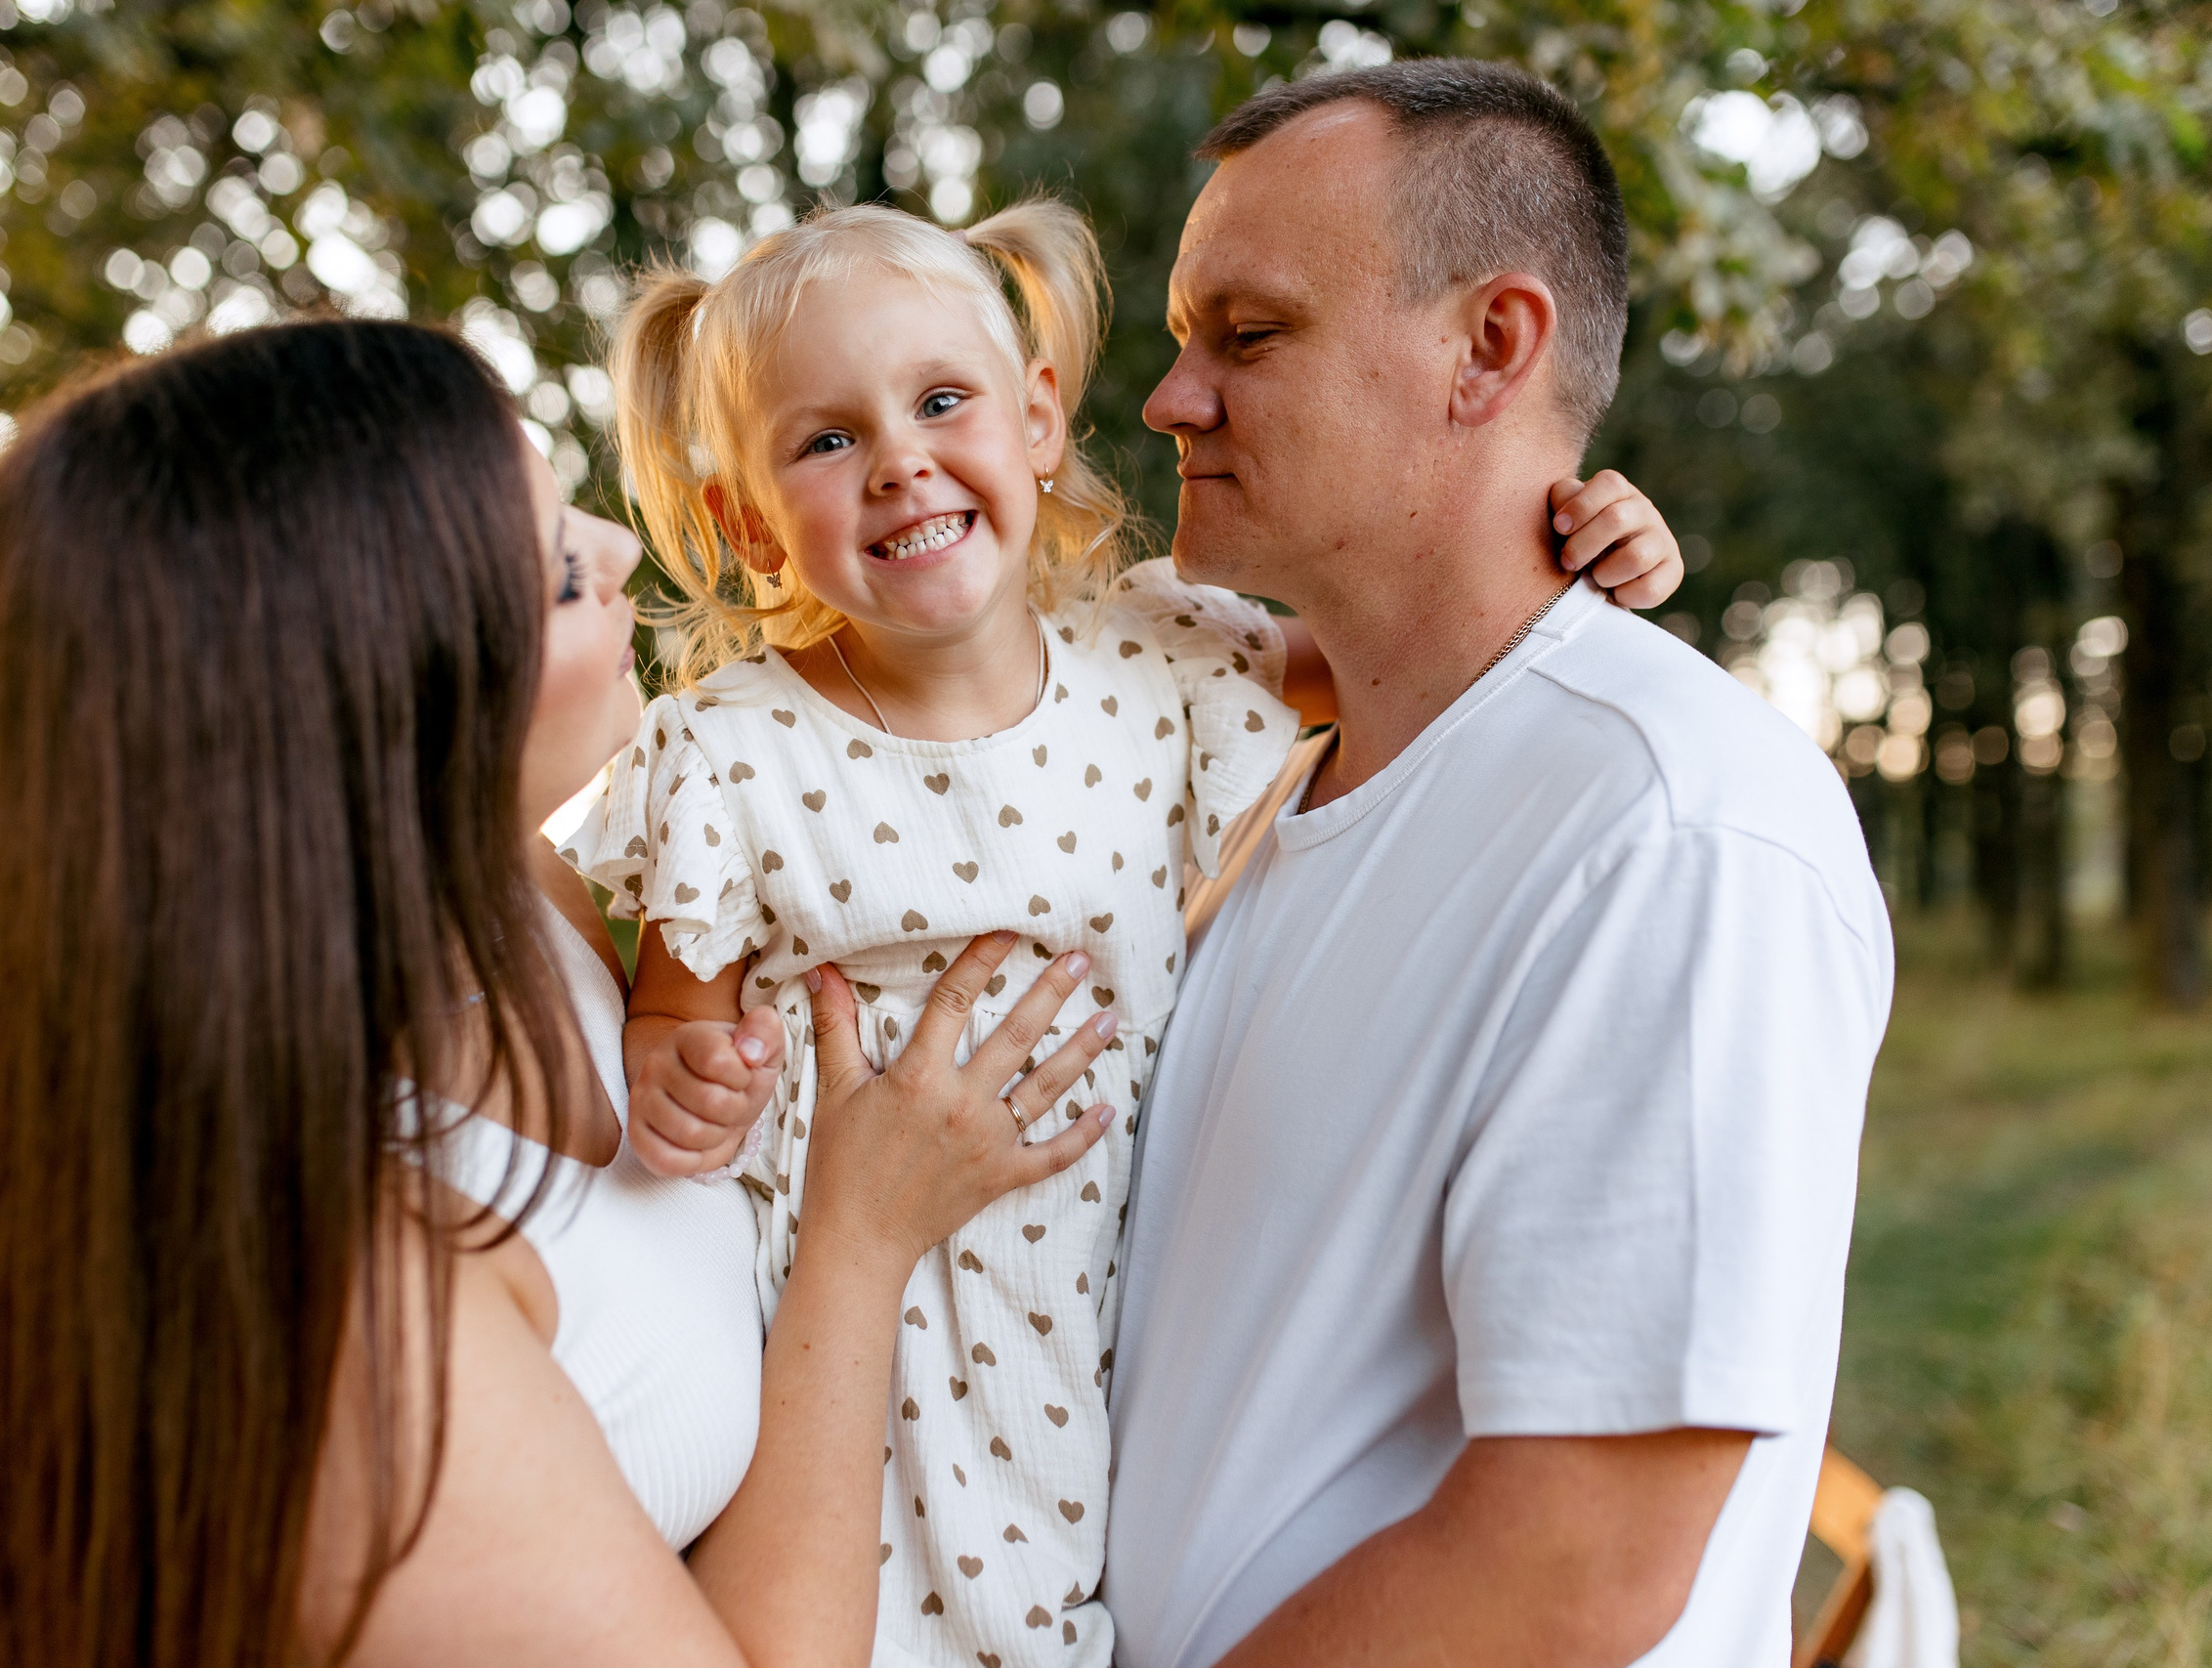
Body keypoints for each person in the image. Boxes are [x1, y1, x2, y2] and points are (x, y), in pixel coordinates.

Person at [0, 317, 1118, 1668]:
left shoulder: (516, 894)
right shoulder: (360, 1327)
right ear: (368, 707)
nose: (620, 552)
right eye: (558, 572)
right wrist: (864, 1237)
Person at [572, 198, 1683, 1666]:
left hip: (1090, 1293)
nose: (899, 460)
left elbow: (1431, 649)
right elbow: (675, 1011)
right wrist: (683, 1075)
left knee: (1067, 1598)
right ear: (745, 521)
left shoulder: (1159, 656)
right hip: (847, 1329)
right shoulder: (729, 752)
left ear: (1037, 419)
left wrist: (1581, 543)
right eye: (826, 440)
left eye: (942, 401)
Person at [1101, 60, 1895, 1668]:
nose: (1171, 400)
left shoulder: (1672, 829)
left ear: (1491, 347)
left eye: (1248, 336)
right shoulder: (1268, 789)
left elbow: (1574, 1562)